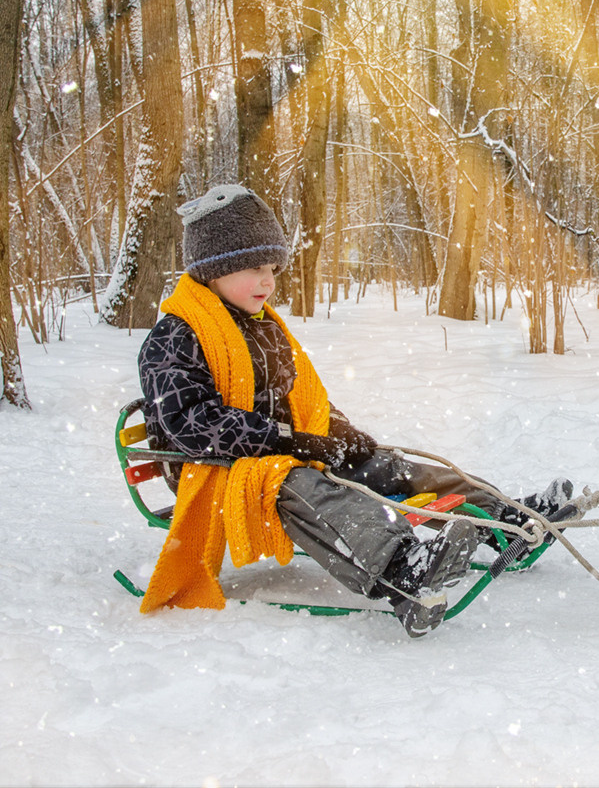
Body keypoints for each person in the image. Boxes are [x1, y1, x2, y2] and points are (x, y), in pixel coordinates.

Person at [136, 183, 572, 637]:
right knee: (302, 484)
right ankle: (402, 571)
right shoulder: (176, 336)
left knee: (388, 466)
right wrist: (290, 441)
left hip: (277, 448)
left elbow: (303, 396)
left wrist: (339, 433)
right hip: (210, 467)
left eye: (272, 268)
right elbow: (190, 423)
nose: (268, 281)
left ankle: (507, 521)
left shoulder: (261, 328)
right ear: (213, 269)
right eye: (253, 268)